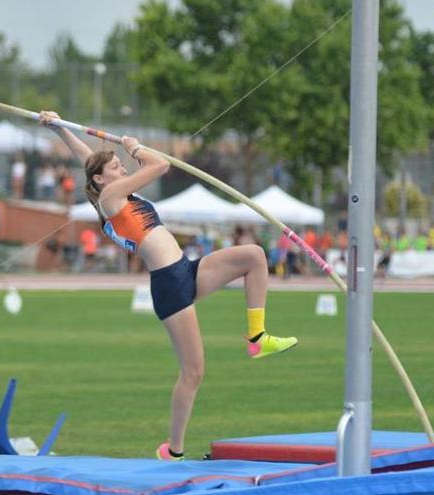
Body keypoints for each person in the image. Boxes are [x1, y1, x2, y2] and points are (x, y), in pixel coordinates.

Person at [40, 110, 298, 461]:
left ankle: (257, 339)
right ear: (102, 180)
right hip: (169, 285)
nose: (123, 169)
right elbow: (159, 166)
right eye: (116, 167)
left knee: (253, 256)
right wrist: (134, 149)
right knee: (193, 372)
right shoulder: (110, 199)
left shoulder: (112, 191)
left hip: (186, 269)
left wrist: (59, 128)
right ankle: (173, 450)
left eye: (121, 164)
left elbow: (88, 160)